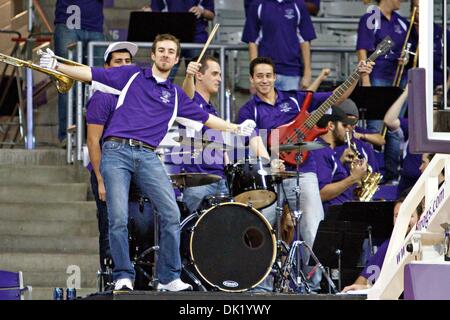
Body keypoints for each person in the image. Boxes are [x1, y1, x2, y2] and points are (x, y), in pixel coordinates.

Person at [39, 33, 256, 291]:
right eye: (160, 50)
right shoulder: (131, 74)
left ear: (176, 59)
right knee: (117, 218)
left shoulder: (175, 95)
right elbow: (90, 73)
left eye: (170, 51)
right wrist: (55, 65)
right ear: (153, 55)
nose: (165, 54)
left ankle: (168, 277)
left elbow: (205, 118)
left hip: (147, 155)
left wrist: (235, 128)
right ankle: (122, 275)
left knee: (171, 212)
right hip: (116, 150)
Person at [237, 57, 373, 290]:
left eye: (268, 75)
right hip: (270, 173)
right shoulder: (249, 109)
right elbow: (253, 139)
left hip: (302, 170)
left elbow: (337, 97)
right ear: (251, 79)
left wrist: (357, 76)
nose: (264, 80)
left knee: (313, 227)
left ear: (275, 77)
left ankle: (313, 285)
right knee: (261, 228)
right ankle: (261, 284)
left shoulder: (295, 98)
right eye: (259, 76)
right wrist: (271, 162)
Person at [85, 41, 137, 277]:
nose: (124, 66)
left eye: (128, 61)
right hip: (106, 171)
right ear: (106, 67)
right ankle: (110, 279)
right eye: (118, 62)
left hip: (131, 169)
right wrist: (101, 179)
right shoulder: (102, 97)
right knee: (110, 228)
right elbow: (93, 141)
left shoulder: (136, 95)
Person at [356, 0, 409, 184]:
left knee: (393, 128)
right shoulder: (371, 17)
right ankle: (372, 175)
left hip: (397, 79)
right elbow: (362, 49)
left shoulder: (401, 21)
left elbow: (409, 48)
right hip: (377, 77)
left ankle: (392, 176)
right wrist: (365, 80)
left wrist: (405, 59)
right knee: (375, 129)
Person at [178, 55, 230, 213]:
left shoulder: (211, 108)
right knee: (194, 233)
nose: (219, 79)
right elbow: (185, 96)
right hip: (199, 181)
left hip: (221, 179)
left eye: (220, 74)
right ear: (199, 75)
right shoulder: (191, 103)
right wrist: (188, 75)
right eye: (215, 74)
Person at [342, 188, 420, 293]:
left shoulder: (426, 244)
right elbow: (364, 280)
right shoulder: (388, 245)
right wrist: (359, 289)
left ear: (419, 217)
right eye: (397, 215)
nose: (403, 219)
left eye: (410, 215)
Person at [54, 0, 105, 145]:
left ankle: (94, 135)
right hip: (68, 22)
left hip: (94, 25)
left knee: (97, 83)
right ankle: (67, 135)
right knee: (67, 80)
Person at [242, 0, 316, 91]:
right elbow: (252, 41)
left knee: (290, 105)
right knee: (263, 105)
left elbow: (305, 41)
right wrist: (254, 75)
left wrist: (307, 74)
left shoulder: (299, 5)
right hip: (265, 73)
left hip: (291, 72)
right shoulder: (257, 4)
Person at [314, 106, 368, 212]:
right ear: (331, 126)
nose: (348, 129)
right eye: (344, 125)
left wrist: (341, 161)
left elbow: (331, 176)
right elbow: (321, 194)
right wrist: (353, 178)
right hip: (331, 220)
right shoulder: (319, 150)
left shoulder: (328, 151)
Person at [149, 0, 215, 80]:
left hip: (196, 39)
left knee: (196, 79)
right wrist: (148, 12)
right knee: (163, 78)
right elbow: (155, 11)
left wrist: (202, 11)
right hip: (170, 40)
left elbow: (211, 14)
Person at [383, 87, 422, 196]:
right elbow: (389, 120)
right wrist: (406, 93)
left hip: (434, 181)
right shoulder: (416, 124)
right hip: (408, 184)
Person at [335, 99, 384, 173]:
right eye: (344, 123)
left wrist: (361, 135)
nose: (348, 126)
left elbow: (381, 140)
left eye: (352, 122)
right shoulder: (329, 145)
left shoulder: (365, 147)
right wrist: (341, 160)